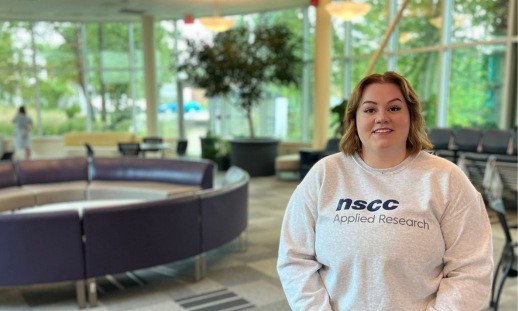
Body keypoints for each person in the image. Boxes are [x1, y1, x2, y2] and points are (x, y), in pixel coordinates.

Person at [277, 71, 492, 310]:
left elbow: (471, 269)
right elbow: (295, 259)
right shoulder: (325, 174)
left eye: (394, 108)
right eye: (370, 110)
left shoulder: (446, 179)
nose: (382, 117)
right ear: (354, 119)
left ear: (411, 116)